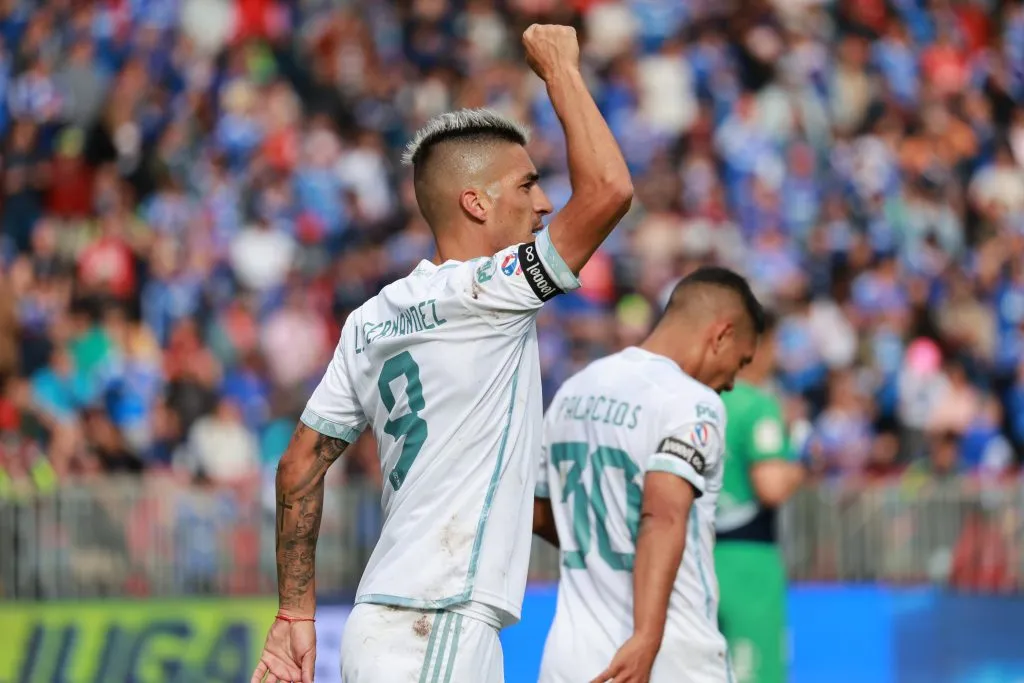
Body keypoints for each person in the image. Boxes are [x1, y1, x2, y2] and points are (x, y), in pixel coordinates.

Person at [250, 24, 633, 683]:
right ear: (475, 201)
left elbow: (300, 462)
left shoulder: (373, 318)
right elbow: (607, 192)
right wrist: (562, 69)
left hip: (389, 617)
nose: (544, 202)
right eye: (528, 184)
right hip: (439, 613)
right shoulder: (490, 292)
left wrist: (294, 613)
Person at [534, 267, 766, 683]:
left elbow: (537, 512)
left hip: (571, 659)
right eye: (741, 362)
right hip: (669, 658)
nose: (732, 382)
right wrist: (646, 637)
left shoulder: (573, 390)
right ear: (722, 334)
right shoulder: (693, 403)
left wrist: (608, 537)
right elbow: (663, 515)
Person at [714, 312, 805, 683]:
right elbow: (771, 488)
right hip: (747, 560)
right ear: (757, 347)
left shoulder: (699, 398)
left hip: (692, 554)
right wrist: (798, 462)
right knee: (755, 666)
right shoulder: (757, 406)